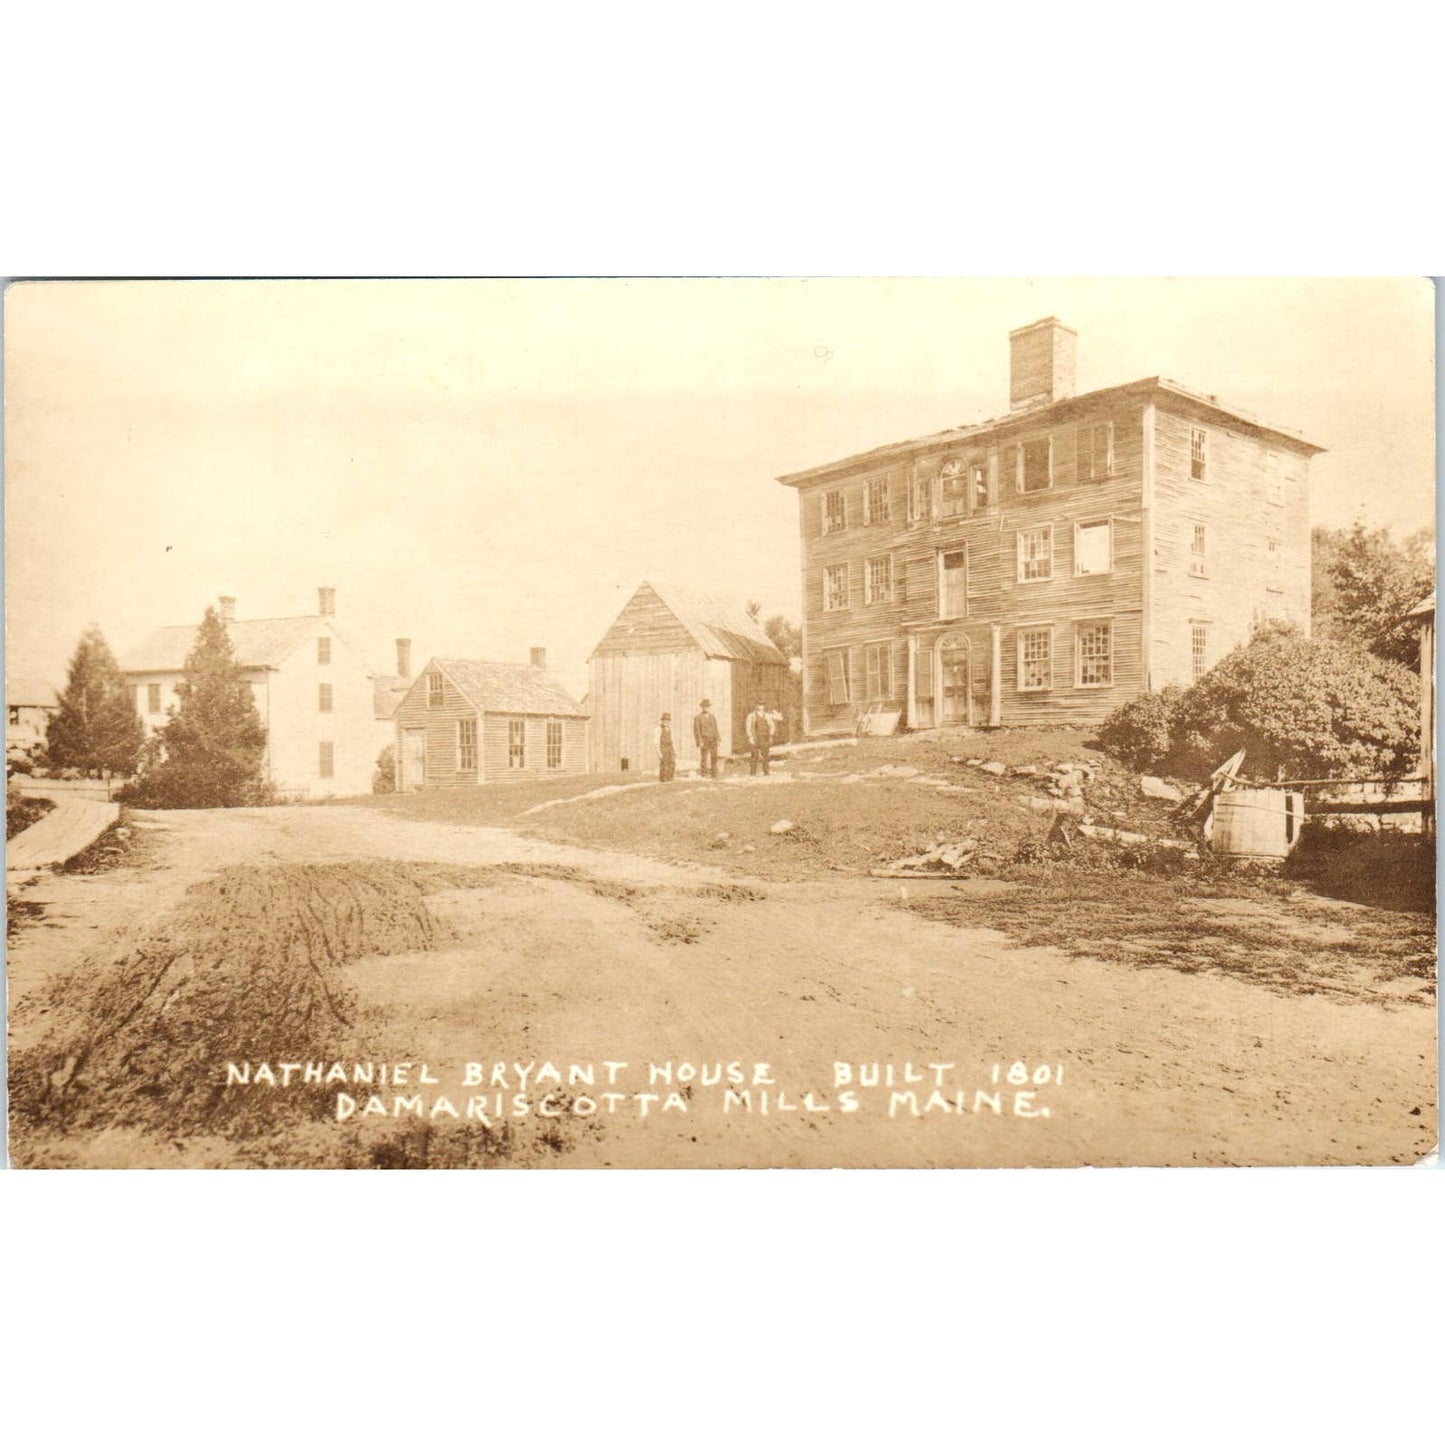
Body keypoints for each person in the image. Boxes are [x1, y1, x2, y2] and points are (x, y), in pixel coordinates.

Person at [745, 699, 775, 777]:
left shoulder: (767, 715)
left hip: (765, 738)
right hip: (755, 738)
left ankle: (766, 772)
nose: (760, 706)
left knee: (765, 755)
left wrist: (771, 735)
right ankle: (753, 773)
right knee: (754, 755)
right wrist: (750, 737)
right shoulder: (751, 716)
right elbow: (748, 727)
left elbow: (772, 726)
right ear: (756, 706)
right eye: (758, 705)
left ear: (764, 706)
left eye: (762, 705)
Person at [693, 698, 720, 778]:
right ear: (702, 707)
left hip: (713, 740)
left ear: (709, 707)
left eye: (707, 706)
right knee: (704, 757)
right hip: (704, 740)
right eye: (704, 707)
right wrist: (700, 741)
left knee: (714, 757)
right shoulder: (698, 717)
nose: (705, 708)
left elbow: (715, 729)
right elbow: (697, 730)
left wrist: (718, 739)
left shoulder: (712, 717)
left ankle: (714, 773)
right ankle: (703, 773)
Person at [654, 712, 676, 782]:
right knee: (664, 763)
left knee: (672, 762)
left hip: (670, 747)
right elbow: (656, 742)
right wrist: (659, 753)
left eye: (668, 720)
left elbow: (672, 740)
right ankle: (663, 779)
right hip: (663, 747)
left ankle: (670, 778)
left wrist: (674, 750)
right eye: (665, 720)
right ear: (662, 720)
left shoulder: (670, 728)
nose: (666, 721)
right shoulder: (658, 729)